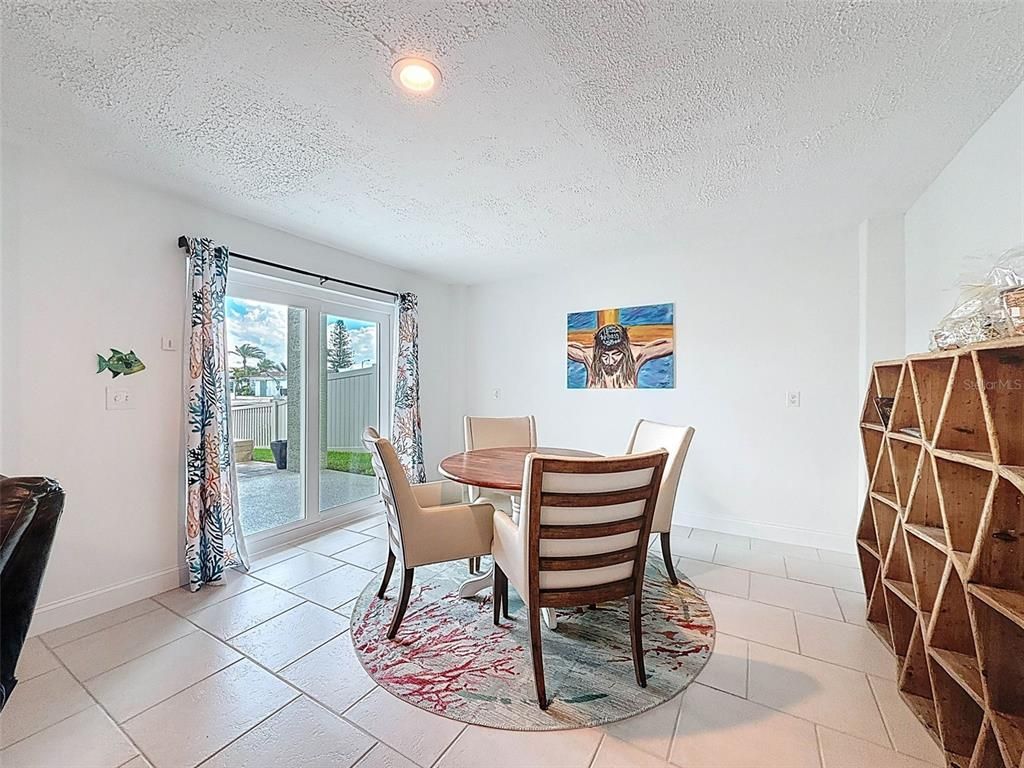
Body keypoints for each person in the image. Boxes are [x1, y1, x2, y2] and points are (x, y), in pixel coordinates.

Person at [567, 323, 673, 388]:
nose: (610, 361)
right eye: (604, 356)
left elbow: (674, 344)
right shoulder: (589, 355)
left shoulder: (636, 354)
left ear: (625, 350)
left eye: (616, 354)